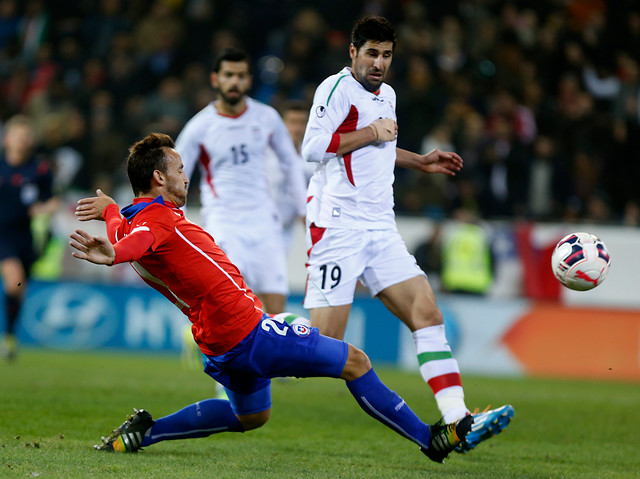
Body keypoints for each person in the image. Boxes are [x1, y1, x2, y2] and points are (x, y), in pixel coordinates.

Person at [70, 132, 472, 463]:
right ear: (158, 178)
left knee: (252, 415)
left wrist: (109, 214)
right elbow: (135, 243)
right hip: (247, 332)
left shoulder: (133, 218)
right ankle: (429, 439)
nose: (185, 175)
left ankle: (146, 432)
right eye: (178, 169)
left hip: (217, 340)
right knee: (355, 361)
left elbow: (127, 233)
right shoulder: (154, 221)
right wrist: (113, 255)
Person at [300, 16, 514, 453]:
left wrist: (421, 161)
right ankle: (262, 332)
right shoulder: (336, 89)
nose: (379, 63)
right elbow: (311, 149)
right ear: (353, 52)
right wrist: (370, 132)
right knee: (324, 349)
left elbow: (378, 147)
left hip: (381, 227)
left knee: (427, 314)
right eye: (372, 53)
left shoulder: (388, 94)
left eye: (386, 55)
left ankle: (459, 421)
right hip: (338, 226)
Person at [175, 48, 307, 315]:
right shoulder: (200, 126)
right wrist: (178, 222)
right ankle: (212, 352)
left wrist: (305, 211)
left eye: (241, 76)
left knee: (276, 310)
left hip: (265, 225)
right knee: (232, 307)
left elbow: (291, 163)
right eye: (228, 75)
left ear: (249, 81)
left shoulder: (266, 117)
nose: (234, 81)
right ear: (215, 80)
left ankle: (270, 358)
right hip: (224, 225)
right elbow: (176, 175)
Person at [0, 115, 59, 361]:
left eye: (26, 136)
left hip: (27, 236)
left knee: (20, 288)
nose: (22, 141)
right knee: (14, 280)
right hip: (3, 233)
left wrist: (44, 209)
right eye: (17, 135)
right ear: (7, 139)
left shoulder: (40, 169)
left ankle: (10, 336)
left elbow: (53, 199)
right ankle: (8, 338)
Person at [266, 99, 315, 252]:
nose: (297, 128)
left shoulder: (313, 158)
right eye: (292, 122)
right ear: (282, 124)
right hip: (259, 226)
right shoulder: (266, 153)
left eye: (302, 122)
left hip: (286, 228)